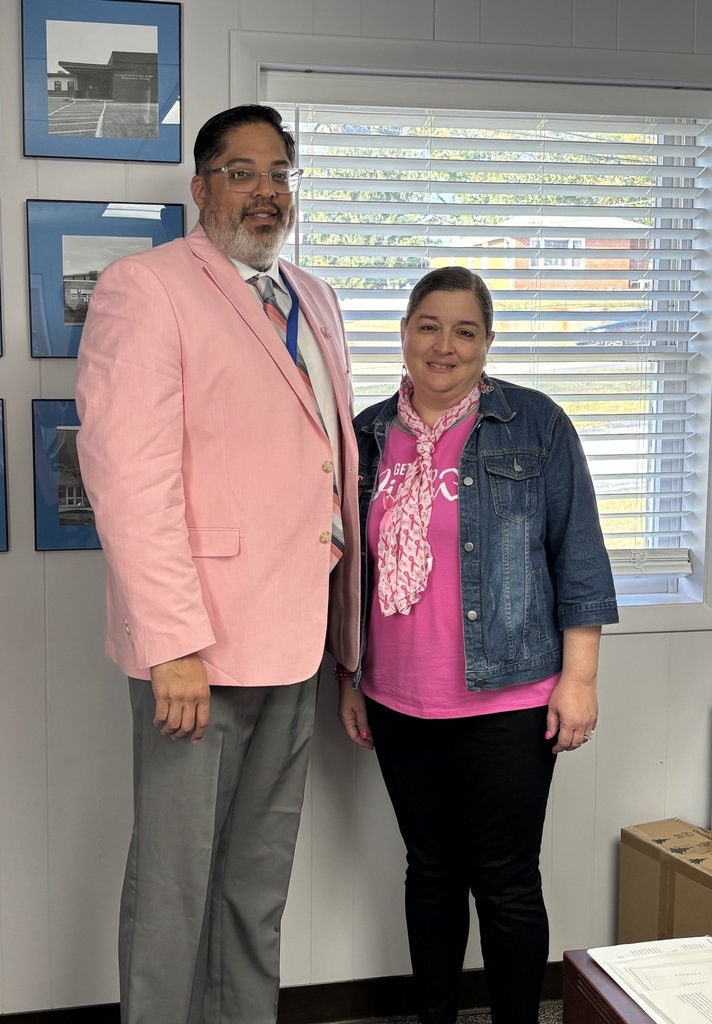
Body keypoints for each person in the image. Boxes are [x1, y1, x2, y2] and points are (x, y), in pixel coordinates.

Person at [75, 104, 360, 1024]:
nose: (264, 191)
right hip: (198, 648)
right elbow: (128, 477)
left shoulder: (312, 297)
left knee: (257, 880)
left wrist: (347, 642)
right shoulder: (146, 287)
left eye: (279, 173)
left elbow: (324, 463)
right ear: (201, 188)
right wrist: (171, 646)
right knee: (174, 886)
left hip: (295, 640)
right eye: (242, 172)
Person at [336, 267, 618, 1024]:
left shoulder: (535, 424)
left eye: (465, 331)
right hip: (398, 698)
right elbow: (349, 571)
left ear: (487, 342)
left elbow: (579, 556)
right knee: (429, 873)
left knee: (505, 880)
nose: (444, 345)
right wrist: (349, 677)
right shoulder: (366, 436)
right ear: (404, 333)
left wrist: (580, 680)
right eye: (429, 326)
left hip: (509, 699)